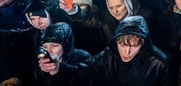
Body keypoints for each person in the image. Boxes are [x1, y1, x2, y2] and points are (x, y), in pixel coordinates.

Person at [39, 15, 173, 85]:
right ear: (116, 42)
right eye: (122, 45)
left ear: (143, 43)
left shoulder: (160, 62)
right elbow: (82, 72)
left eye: (133, 46)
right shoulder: (108, 55)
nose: (126, 52)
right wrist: (58, 69)